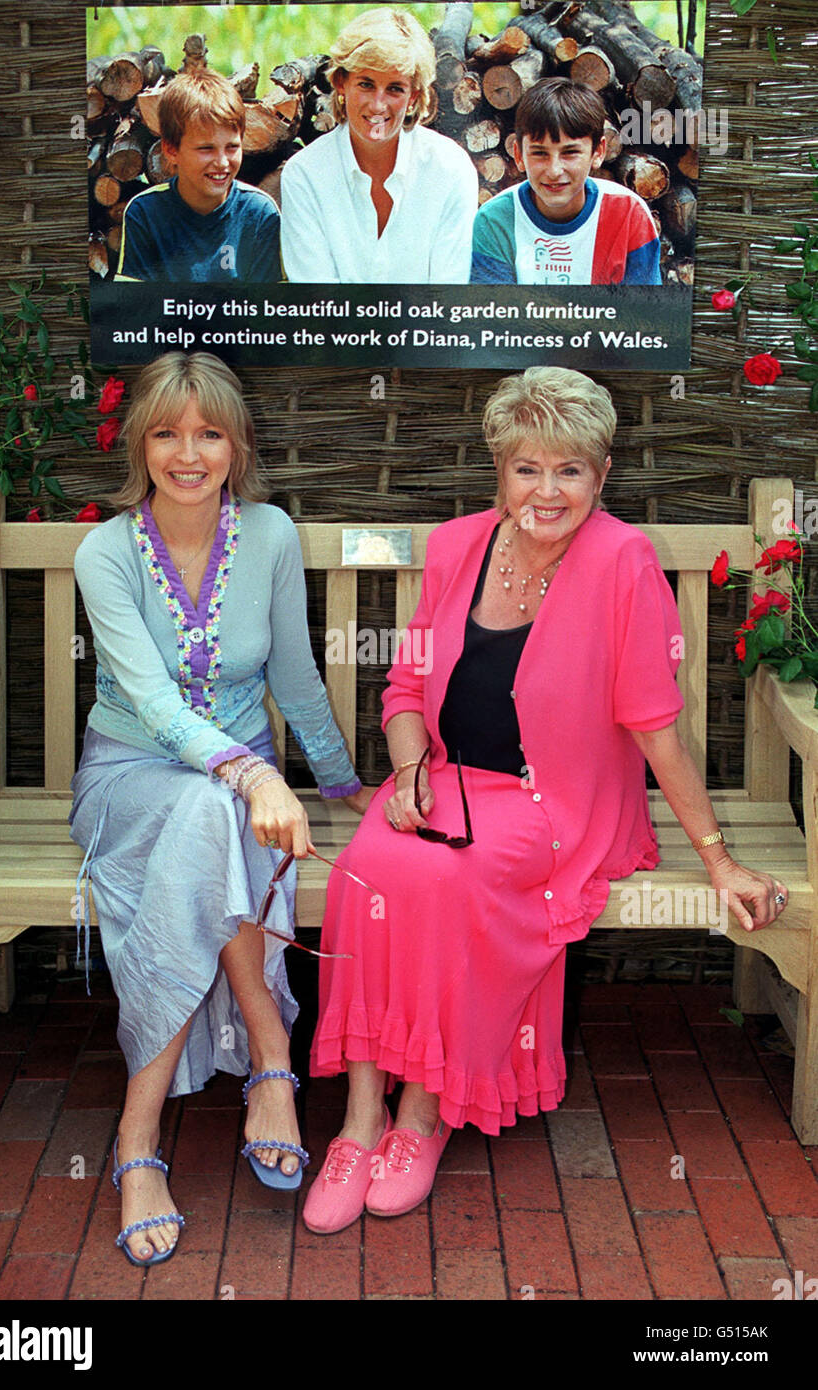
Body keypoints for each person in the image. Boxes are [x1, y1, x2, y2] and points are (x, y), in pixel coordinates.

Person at [302, 365, 787, 1234]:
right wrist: (409, 770)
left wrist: (715, 857)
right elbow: (406, 687)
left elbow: (653, 725)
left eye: (569, 469)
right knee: (364, 873)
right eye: (527, 467)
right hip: (445, 784)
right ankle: (357, 1122)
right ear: (499, 470)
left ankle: (422, 1116)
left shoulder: (620, 562)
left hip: (549, 805)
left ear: (600, 477)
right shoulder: (456, 548)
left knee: (453, 883)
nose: (546, 489)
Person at [69, 351, 370, 1264]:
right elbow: (154, 706)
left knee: (216, 820)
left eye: (208, 433)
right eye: (166, 432)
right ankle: (265, 1056)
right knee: (212, 813)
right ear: (140, 444)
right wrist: (253, 777)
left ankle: (139, 1138)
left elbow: (292, 673)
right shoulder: (104, 553)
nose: (188, 453)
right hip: (130, 777)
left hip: (237, 797)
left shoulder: (271, 536)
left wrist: (342, 782)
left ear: (237, 445)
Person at [280, 8, 478, 284]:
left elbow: (447, 299)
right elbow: (317, 306)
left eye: (395, 88)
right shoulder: (305, 174)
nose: (377, 105)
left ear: (414, 96)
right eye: (366, 84)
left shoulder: (451, 168)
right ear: (341, 82)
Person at [471, 78, 662, 286]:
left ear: (598, 152)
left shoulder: (628, 213)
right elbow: (494, 313)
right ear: (518, 155)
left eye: (570, 153)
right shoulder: (494, 220)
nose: (554, 171)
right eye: (539, 153)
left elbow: (644, 313)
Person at [115, 69, 281, 283]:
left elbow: (268, 309)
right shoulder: (145, 213)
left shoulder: (259, 213)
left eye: (232, 147)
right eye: (206, 149)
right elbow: (134, 309)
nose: (222, 162)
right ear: (171, 150)